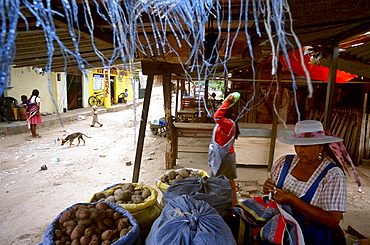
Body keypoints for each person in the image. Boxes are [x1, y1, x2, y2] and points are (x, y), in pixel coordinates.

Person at [263, 120, 353, 245]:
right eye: (297, 145)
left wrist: (293, 200)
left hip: (311, 235)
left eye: (304, 146)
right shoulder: (284, 162)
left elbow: (333, 221)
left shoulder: (332, 175)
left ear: (320, 146)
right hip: (279, 228)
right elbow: (270, 195)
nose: (299, 151)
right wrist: (268, 189)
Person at [208, 93, 240, 206]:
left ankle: (215, 201)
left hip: (225, 156)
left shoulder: (229, 124)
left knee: (213, 179)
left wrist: (227, 102)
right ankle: (234, 200)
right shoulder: (225, 123)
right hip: (223, 155)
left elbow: (216, 116)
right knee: (229, 179)